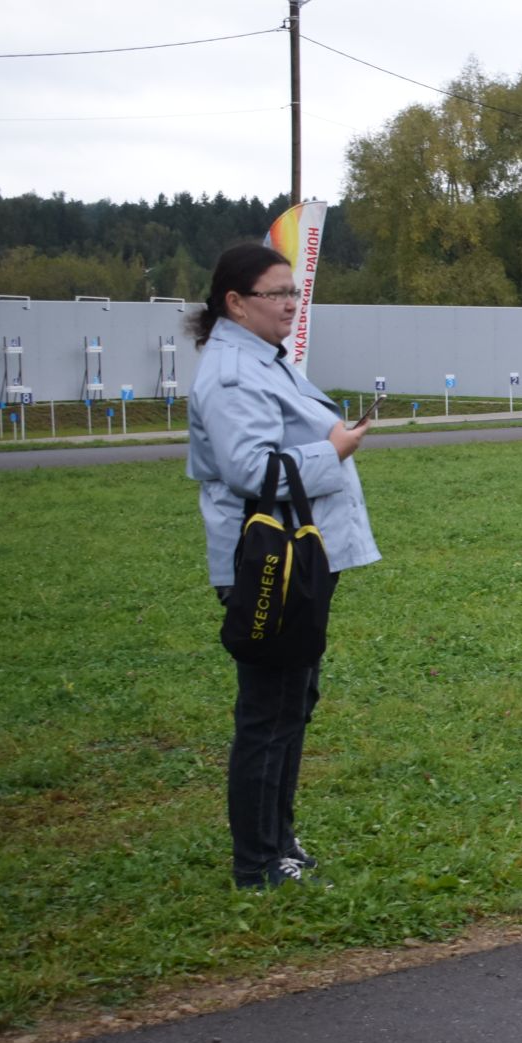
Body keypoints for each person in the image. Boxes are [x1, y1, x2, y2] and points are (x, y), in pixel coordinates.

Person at [186, 243, 380, 888]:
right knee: (270, 712)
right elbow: (252, 470)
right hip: (270, 561)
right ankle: (259, 863)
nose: (292, 305)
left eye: (295, 293)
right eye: (277, 294)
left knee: (293, 700)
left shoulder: (261, 360)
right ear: (235, 303)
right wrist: (335, 449)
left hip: (300, 556)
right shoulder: (233, 374)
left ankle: (280, 843)